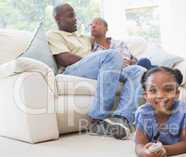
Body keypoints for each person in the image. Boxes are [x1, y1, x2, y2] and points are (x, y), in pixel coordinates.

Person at [47, 3, 146, 139]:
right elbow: (64, 58)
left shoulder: (84, 37)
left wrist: (128, 60)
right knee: (112, 55)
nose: (75, 18)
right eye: (71, 16)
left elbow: (104, 40)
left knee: (138, 70)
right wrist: (100, 60)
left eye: (75, 15)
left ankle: (121, 119)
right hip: (72, 70)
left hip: (97, 69)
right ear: (58, 18)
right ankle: (97, 120)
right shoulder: (54, 34)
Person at [135, 67, 186, 157]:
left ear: (177, 93)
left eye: (168, 90)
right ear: (146, 95)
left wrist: (164, 150)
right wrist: (145, 153)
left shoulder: (183, 111)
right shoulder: (143, 113)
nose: (160, 95)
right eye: (153, 91)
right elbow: (139, 144)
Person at [90, 17, 157, 70]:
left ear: (106, 29)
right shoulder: (93, 50)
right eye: (91, 24)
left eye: (97, 23)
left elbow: (133, 59)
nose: (93, 26)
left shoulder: (119, 43)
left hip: (133, 69)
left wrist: (131, 61)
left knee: (145, 62)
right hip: (117, 72)